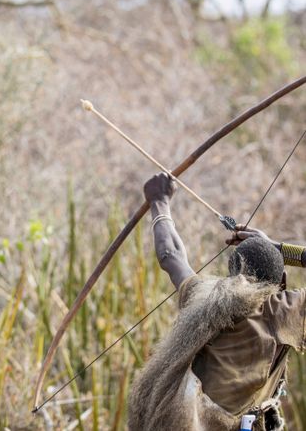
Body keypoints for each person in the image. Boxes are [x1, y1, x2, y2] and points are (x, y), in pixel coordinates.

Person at [128, 172, 306, 431]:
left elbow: (171, 256)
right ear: (282, 281)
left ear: (233, 274)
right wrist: (281, 250)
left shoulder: (207, 295)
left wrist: (159, 201)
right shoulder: (282, 311)